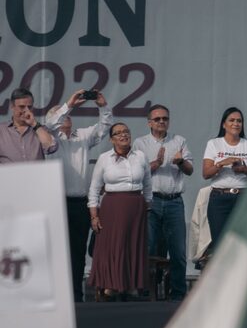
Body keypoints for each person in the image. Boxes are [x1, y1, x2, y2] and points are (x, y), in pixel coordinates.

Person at [45, 89, 112, 302]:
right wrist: (70, 103)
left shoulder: (82, 136)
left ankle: (75, 295)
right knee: (55, 251)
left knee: (77, 252)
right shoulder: (49, 138)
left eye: (69, 116)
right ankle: (56, 296)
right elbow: (50, 125)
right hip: (57, 203)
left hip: (80, 203)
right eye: (64, 115)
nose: (67, 118)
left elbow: (105, 128)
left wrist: (102, 105)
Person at [132, 104, 194, 301]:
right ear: (149, 122)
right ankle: (145, 292)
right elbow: (135, 174)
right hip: (151, 201)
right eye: (157, 119)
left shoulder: (179, 141)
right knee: (148, 249)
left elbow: (190, 170)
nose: (161, 122)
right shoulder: (140, 144)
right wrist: (157, 163)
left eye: (165, 118)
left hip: (174, 201)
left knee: (178, 250)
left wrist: (180, 162)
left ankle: (177, 294)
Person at [88, 122, 152, 300]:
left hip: (136, 205)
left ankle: (131, 285)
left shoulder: (140, 156)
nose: (123, 135)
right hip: (112, 206)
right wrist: (94, 215)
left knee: (133, 246)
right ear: (111, 139)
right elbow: (94, 188)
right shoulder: (104, 158)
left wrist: (147, 204)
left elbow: (147, 183)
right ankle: (110, 285)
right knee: (113, 246)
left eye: (126, 131)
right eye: (118, 133)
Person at [202, 107, 247, 250]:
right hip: (219, 198)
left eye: (239, 121)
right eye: (231, 120)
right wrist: (221, 163)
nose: (236, 124)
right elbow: (206, 173)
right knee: (219, 245)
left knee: (243, 245)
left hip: (243, 199)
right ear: (223, 124)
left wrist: (245, 170)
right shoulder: (214, 144)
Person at [0, 87, 57, 163]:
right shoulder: (2, 130)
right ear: (12, 106)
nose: (27, 110)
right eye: (22, 107)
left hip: (36, 174)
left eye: (29, 107)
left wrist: (34, 124)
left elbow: (52, 148)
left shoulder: (40, 129)